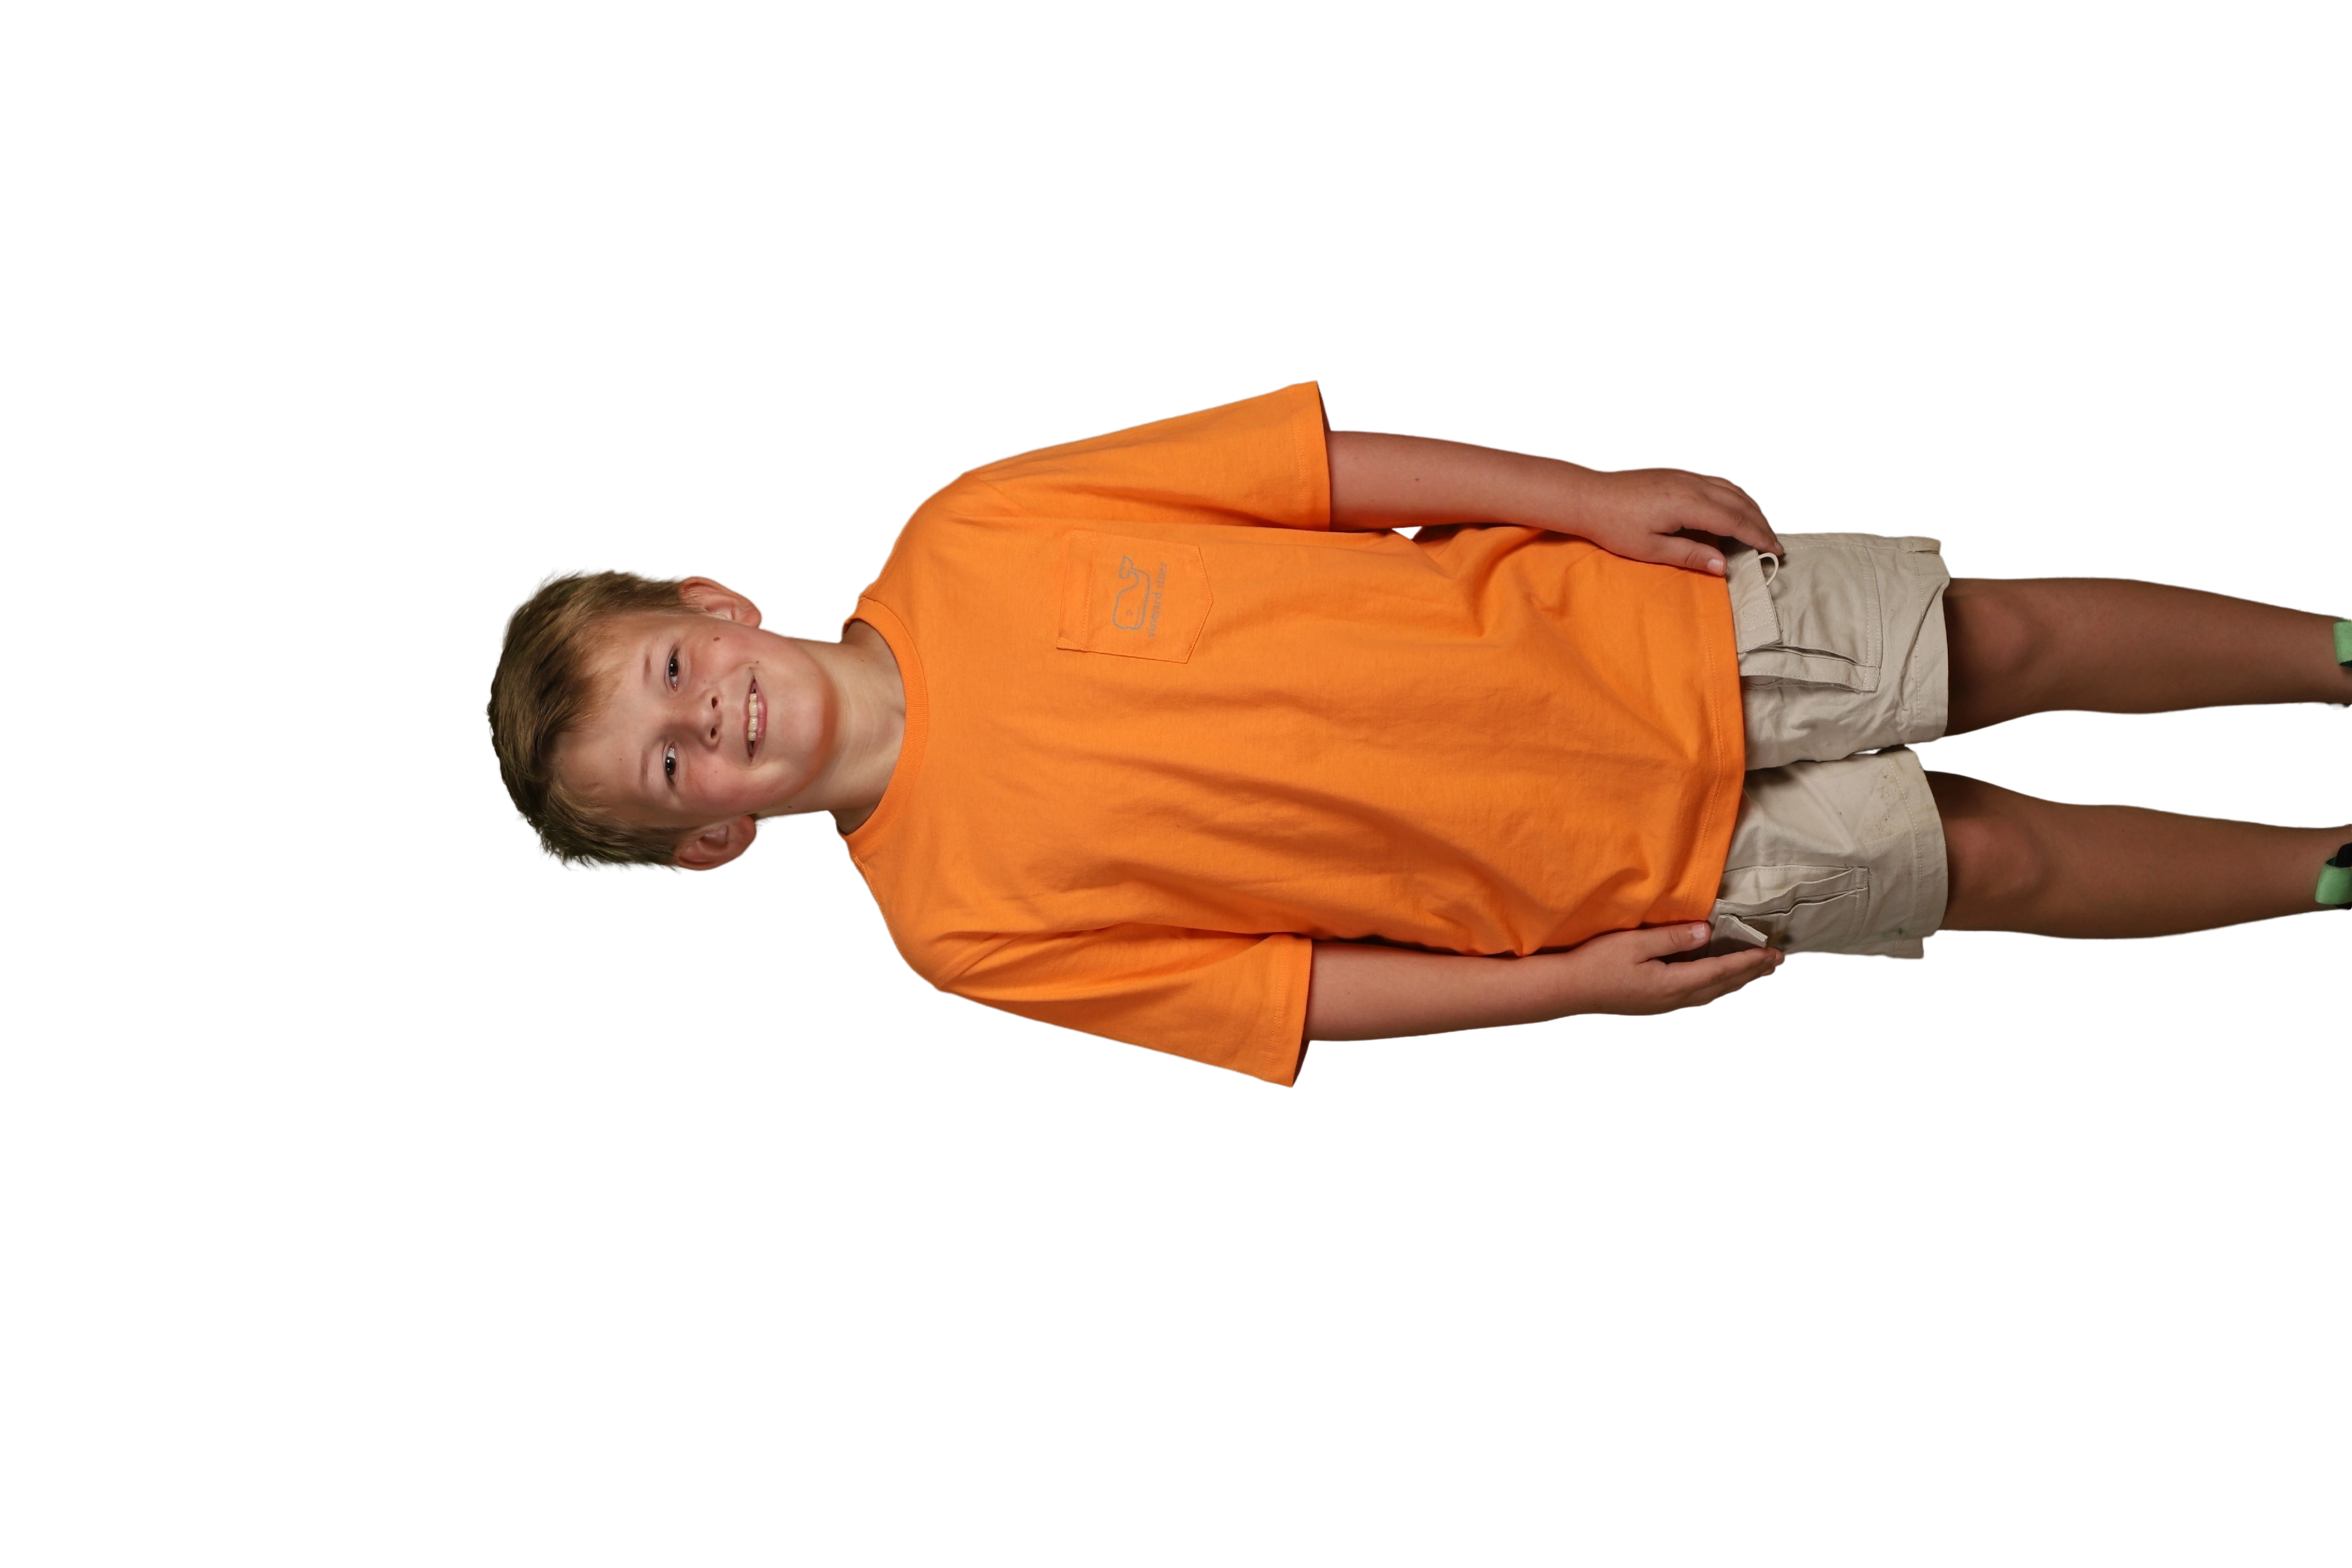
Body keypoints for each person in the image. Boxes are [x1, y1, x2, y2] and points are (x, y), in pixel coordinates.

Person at [482, 379, 2352, 1088]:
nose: (710, 721)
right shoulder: (954, 930)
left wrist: (1585, 496)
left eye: (673, 673)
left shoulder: (973, 528)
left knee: (1994, 639)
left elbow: (1302, 473)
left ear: (714, 603)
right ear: (712, 841)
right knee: (1990, 857)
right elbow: (1289, 996)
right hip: (1609, 880)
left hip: (1632, 630)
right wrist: (1567, 993)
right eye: (674, 767)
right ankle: (2318, 870)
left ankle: (2328, 652)